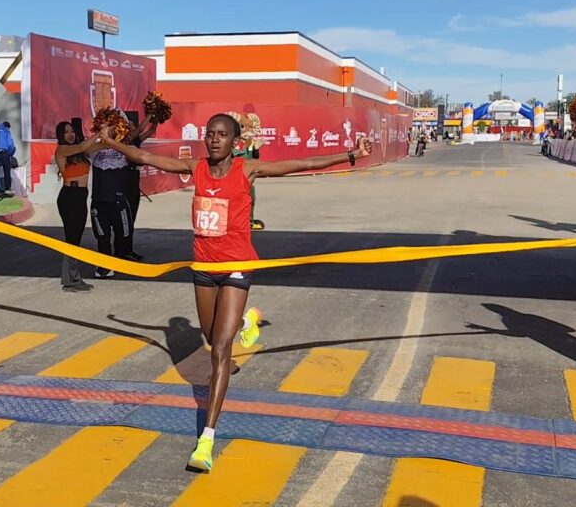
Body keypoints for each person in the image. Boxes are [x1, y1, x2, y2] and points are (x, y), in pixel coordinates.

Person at [97, 113, 373, 472]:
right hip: (205, 270)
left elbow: (301, 163)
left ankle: (207, 439)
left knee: (222, 351)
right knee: (212, 338)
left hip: (237, 268)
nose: (214, 139)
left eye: (222, 135)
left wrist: (351, 155)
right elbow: (147, 158)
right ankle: (246, 319)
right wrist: (111, 143)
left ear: (234, 141)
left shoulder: (247, 171)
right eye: (210, 134)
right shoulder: (194, 168)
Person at [54, 118, 102, 291]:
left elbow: (101, 146)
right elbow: (82, 146)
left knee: (76, 238)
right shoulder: (62, 149)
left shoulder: (80, 153)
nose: (70, 134)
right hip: (69, 197)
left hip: (81, 196)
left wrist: (111, 135)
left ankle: (73, 278)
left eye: (72, 131)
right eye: (66, 132)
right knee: (71, 239)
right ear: (60, 135)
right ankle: (70, 281)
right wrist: (98, 133)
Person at [88, 115, 134, 278]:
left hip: (119, 201)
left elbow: (136, 149)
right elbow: (85, 150)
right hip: (99, 201)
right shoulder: (95, 148)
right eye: (109, 126)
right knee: (102, 236)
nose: (112, 128)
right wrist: (103, 137)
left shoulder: (124, 147)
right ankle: (104, 266)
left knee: (124, 234)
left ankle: (121, 261)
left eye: (116, 126)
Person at [123, 111, 156, 261]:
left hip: (134, 181)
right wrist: (149, 114)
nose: (131, 128)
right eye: (128, 125)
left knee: (132, 217)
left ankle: (128, 248)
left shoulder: (135, 140)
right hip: (125, 180)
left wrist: (157, 119)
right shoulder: (123, 140)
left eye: (132, 125)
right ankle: (123, 249)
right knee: (126, 217)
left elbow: (150, 131)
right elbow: (141, 129)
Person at [0, 120, 17, 196]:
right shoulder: (6, 131)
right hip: (4, 152)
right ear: (7, 127)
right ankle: (7, 188)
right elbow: (10, 144)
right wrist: (10, 154)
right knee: (7, 171)